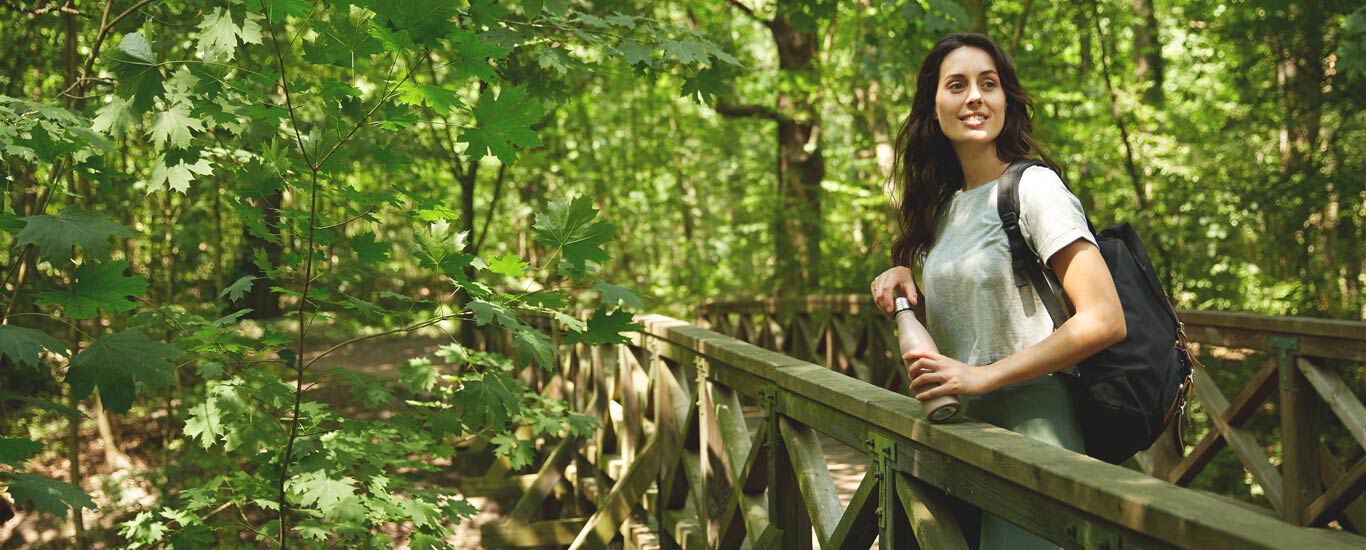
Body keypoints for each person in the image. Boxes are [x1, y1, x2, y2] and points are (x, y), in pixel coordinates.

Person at [868, 33, 1127, 549]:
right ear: (933, 107)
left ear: (1006, 100)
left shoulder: (1035, 189)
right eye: (957, 85)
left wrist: (982, 377)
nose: (974, 97)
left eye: (988, 84)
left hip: (1033, 431)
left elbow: (1104, 318)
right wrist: (905, 279)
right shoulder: (943, 208)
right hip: (953, 434)